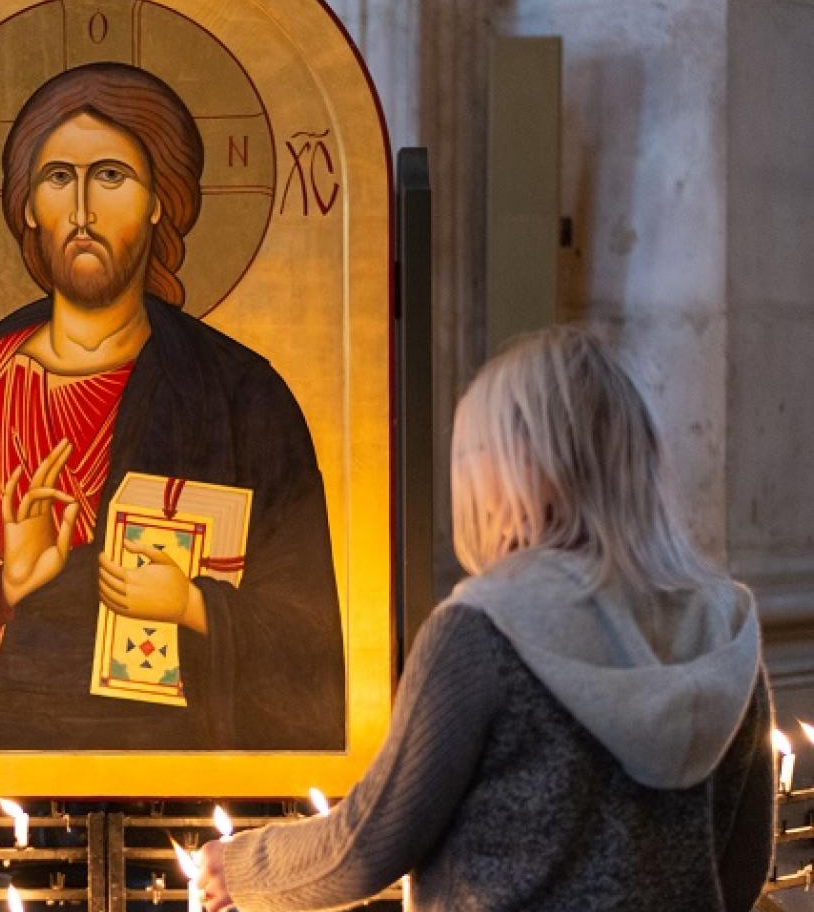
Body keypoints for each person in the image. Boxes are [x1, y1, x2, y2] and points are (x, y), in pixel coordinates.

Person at [196, 325, 773, 911]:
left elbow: (370, 844)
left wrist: (246, 866)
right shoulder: (721, 628)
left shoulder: (484, 631)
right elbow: (743, 863)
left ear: (518, 470)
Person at [0, 62, 344, 752]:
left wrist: (194, 607)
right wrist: (1, 586)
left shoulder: (242, 395)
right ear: (28, 205)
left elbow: (312, 639)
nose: (83, 210)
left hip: (193, 788)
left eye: (112, 177)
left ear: (159, 201)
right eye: (59, 178)